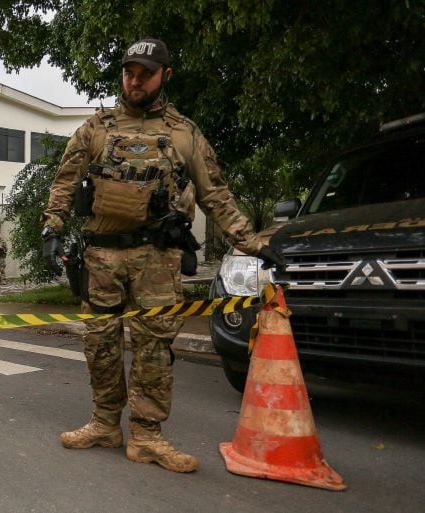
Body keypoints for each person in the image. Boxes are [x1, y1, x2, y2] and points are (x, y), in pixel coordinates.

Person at [41, 38, 284, 473]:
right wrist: (52, 228)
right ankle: (104, 424)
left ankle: (147, 435)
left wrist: (254, 243)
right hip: (101, 259)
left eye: (145, 73)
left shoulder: (184, 133)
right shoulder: (95, 128)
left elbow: (217, 196)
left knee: (154, 350)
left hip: (158, 260)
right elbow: (64, 181)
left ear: (164, 76)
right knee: (100, 345)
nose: (135, 81)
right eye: (129, 72)